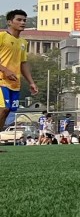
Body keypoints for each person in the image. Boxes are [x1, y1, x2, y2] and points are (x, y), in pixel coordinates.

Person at [1, 9, 40, 138]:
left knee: (7, 112)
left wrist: (31, 82)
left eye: (24, 20)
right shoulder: (2, 37)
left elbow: (23, 63)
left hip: (14, 84)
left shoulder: (23, 42)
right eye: (19, 20)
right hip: (1, 81)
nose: (23, 22)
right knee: (4, 109)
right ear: (9, 22)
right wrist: (5, 70)